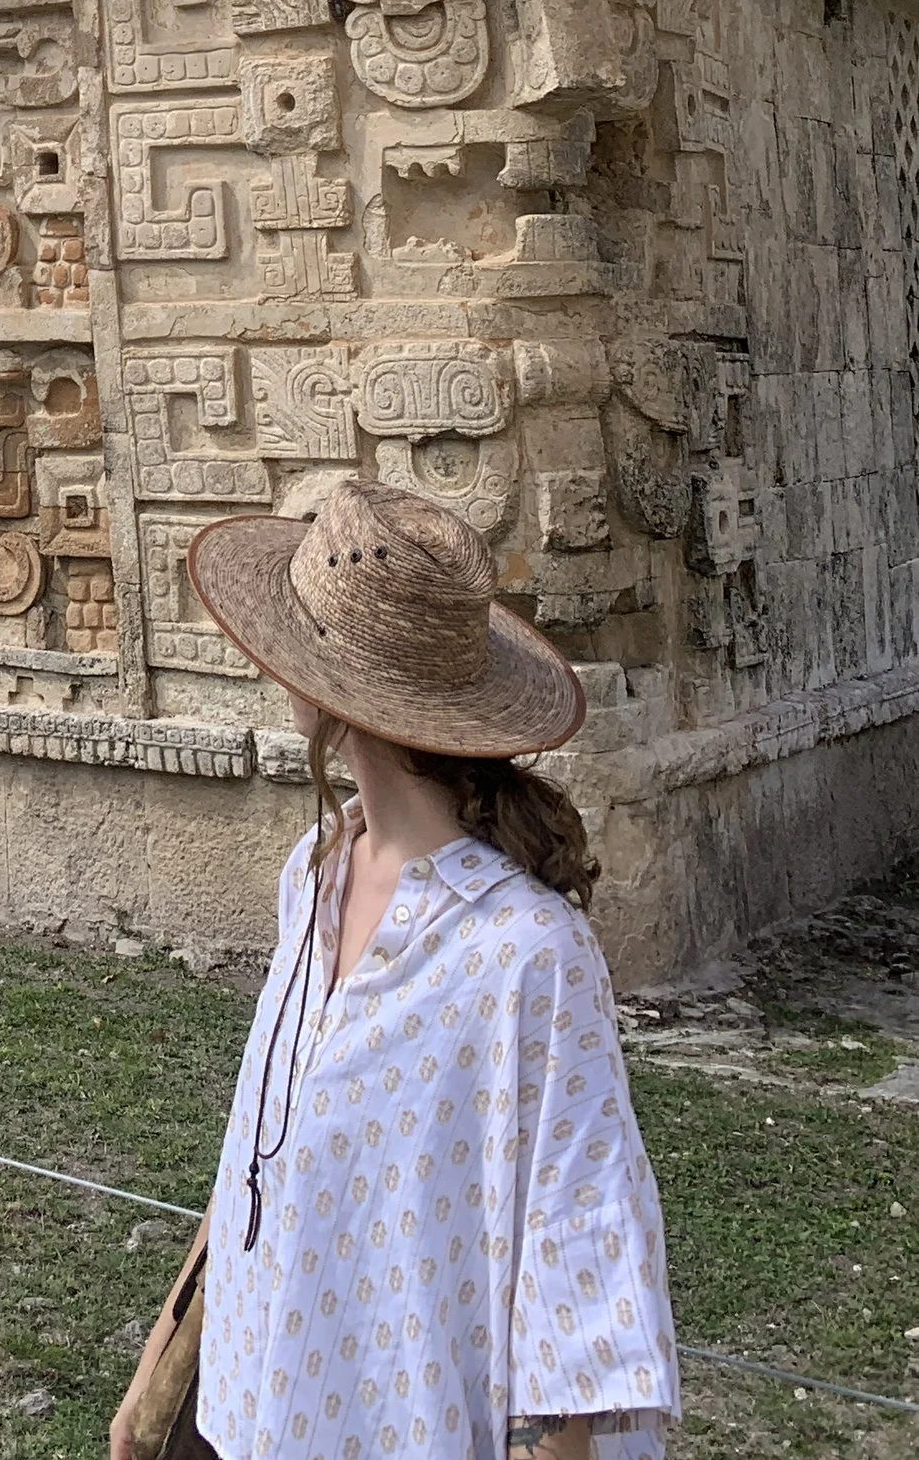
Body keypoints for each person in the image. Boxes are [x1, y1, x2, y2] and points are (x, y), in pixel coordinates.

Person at [107, 476, 679, 1460]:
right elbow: (257, 1152)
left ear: (331, 689)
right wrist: (157, 1372)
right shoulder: (318, 870)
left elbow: (575, 1273)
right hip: (242, 1407)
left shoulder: (528, 957)